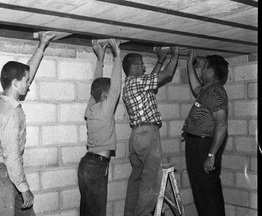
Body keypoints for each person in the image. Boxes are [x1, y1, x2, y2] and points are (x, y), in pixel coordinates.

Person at [0, 31, 55, 216]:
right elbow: (12, 155)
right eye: (26, 82)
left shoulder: (4, 98)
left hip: (8, 172)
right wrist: (24, 188)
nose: (29, 85)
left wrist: (41, 46)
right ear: (15, 83)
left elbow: (27, 71)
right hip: (2, 173)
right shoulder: (10, 114)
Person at [122, 46, 179, 216]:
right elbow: (166, 74)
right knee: (151, 179)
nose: (143, 67)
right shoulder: (136, 81)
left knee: (137, 178)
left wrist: (160, 59)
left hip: (137, 136)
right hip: (148, 133)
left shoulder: (133, 84)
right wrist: (174, 54)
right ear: (133, 68)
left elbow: (151, 79)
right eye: (140, 64)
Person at [78, 39, 121, 216]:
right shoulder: (104, 110)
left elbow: (95, 86)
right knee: (97, 212)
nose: (112, 96)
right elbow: (116, 86)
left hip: (86, 164)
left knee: (87, 210)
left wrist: (100, 59)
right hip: (97, 166)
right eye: (108, 94)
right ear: (105, 96)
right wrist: (117, 56)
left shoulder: (91, 109)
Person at [182, 51, 229, 216]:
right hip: (197, 145)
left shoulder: (215, 93)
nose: (201, 71)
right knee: (201, 191)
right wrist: (189, 64)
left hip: (204, 147)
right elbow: (196, 87)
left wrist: (211, 155)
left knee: (208, 192)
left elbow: (222, 125)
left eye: (203, 68)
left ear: (210, 71)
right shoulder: (207, 90)